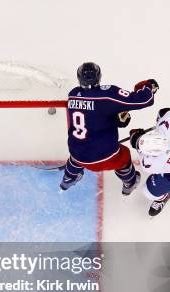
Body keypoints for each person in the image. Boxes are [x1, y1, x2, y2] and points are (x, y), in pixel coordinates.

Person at [61, 62, 158, 195]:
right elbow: (144, 100)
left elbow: (93, 114)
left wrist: (115, 117)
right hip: (102, 158)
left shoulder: (73, 94)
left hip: (76, 151)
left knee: (77, 157)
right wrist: (147, 86)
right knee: (124, 156)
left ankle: (68, 179)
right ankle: (130, 182)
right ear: (99, 76)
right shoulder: (107, 95)